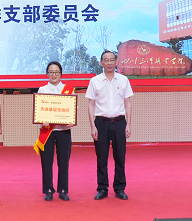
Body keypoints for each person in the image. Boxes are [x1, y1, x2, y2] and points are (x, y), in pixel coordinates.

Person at [85, 50, 133, 201]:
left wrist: (128, 124)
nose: (109, 63)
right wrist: (93, 126)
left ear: (116, 62)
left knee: (120, 157)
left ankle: (119, 188)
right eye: (106, 60)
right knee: (101, 158)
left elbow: (128, 103)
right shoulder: (95, 81)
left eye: (112, 60)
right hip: (101, 123)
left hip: (119, 122)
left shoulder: (123, 80)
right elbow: (91, 104)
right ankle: (102, 188)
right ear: (101, 63)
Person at [36, 61, 74, 201]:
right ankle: (48, 190)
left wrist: (71, 120)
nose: (54, 75)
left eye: (56, 72)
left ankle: (63, 190)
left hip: (64, 131)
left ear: (61, 74)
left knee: (63, 162)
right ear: (47, 74)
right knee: (46, 162)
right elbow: (39, 111)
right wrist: (42, 119)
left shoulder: (68, 90)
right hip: (47, 132)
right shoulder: (42, 90)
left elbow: (72, 110)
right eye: (51, 72)